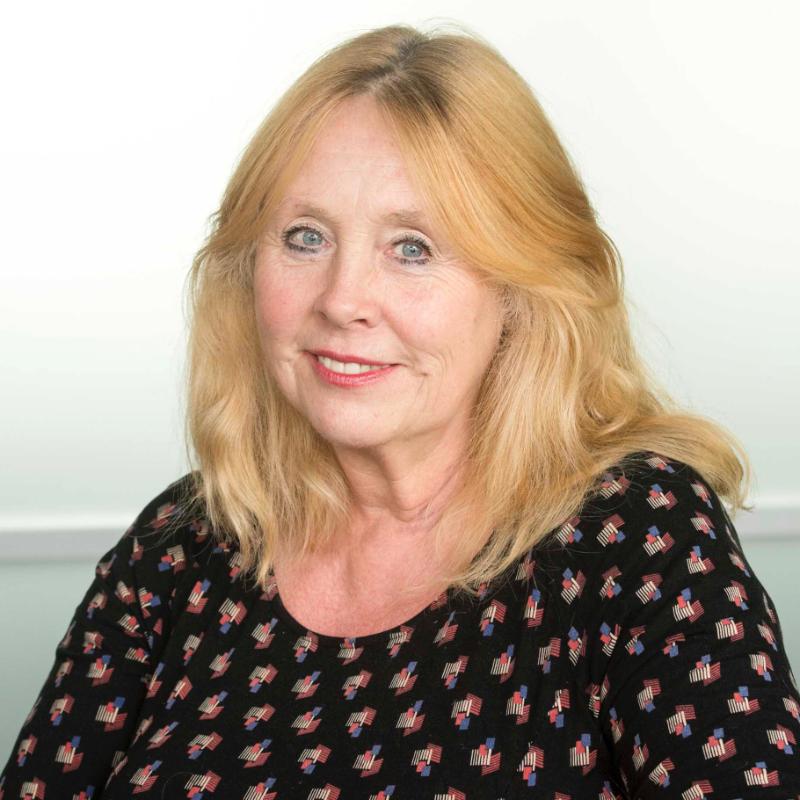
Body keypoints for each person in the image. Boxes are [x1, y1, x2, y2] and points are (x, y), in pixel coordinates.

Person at [2, 22, 799, 799]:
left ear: (519, 293)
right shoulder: (181, 547)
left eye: (413, 248)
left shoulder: (639, 537)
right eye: (305, 237)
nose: (343, 298)